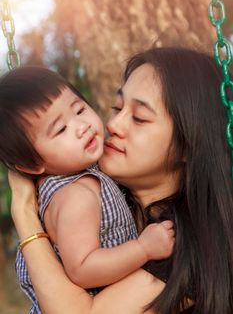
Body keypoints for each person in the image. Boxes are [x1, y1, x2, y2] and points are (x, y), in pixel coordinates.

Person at [9, 47, 233, 314]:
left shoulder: (188, 246)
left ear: (187, 144)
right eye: (117, 108)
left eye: (139, 118)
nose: (113, 124)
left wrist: (23, 213)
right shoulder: (96, 195)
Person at [0, 66, 174, 313]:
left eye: (80, 109)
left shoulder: (86, 176)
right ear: (32, 164)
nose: (81, 125)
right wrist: (143, 249)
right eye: (61, 129)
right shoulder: (75, 196)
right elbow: (82, 268)